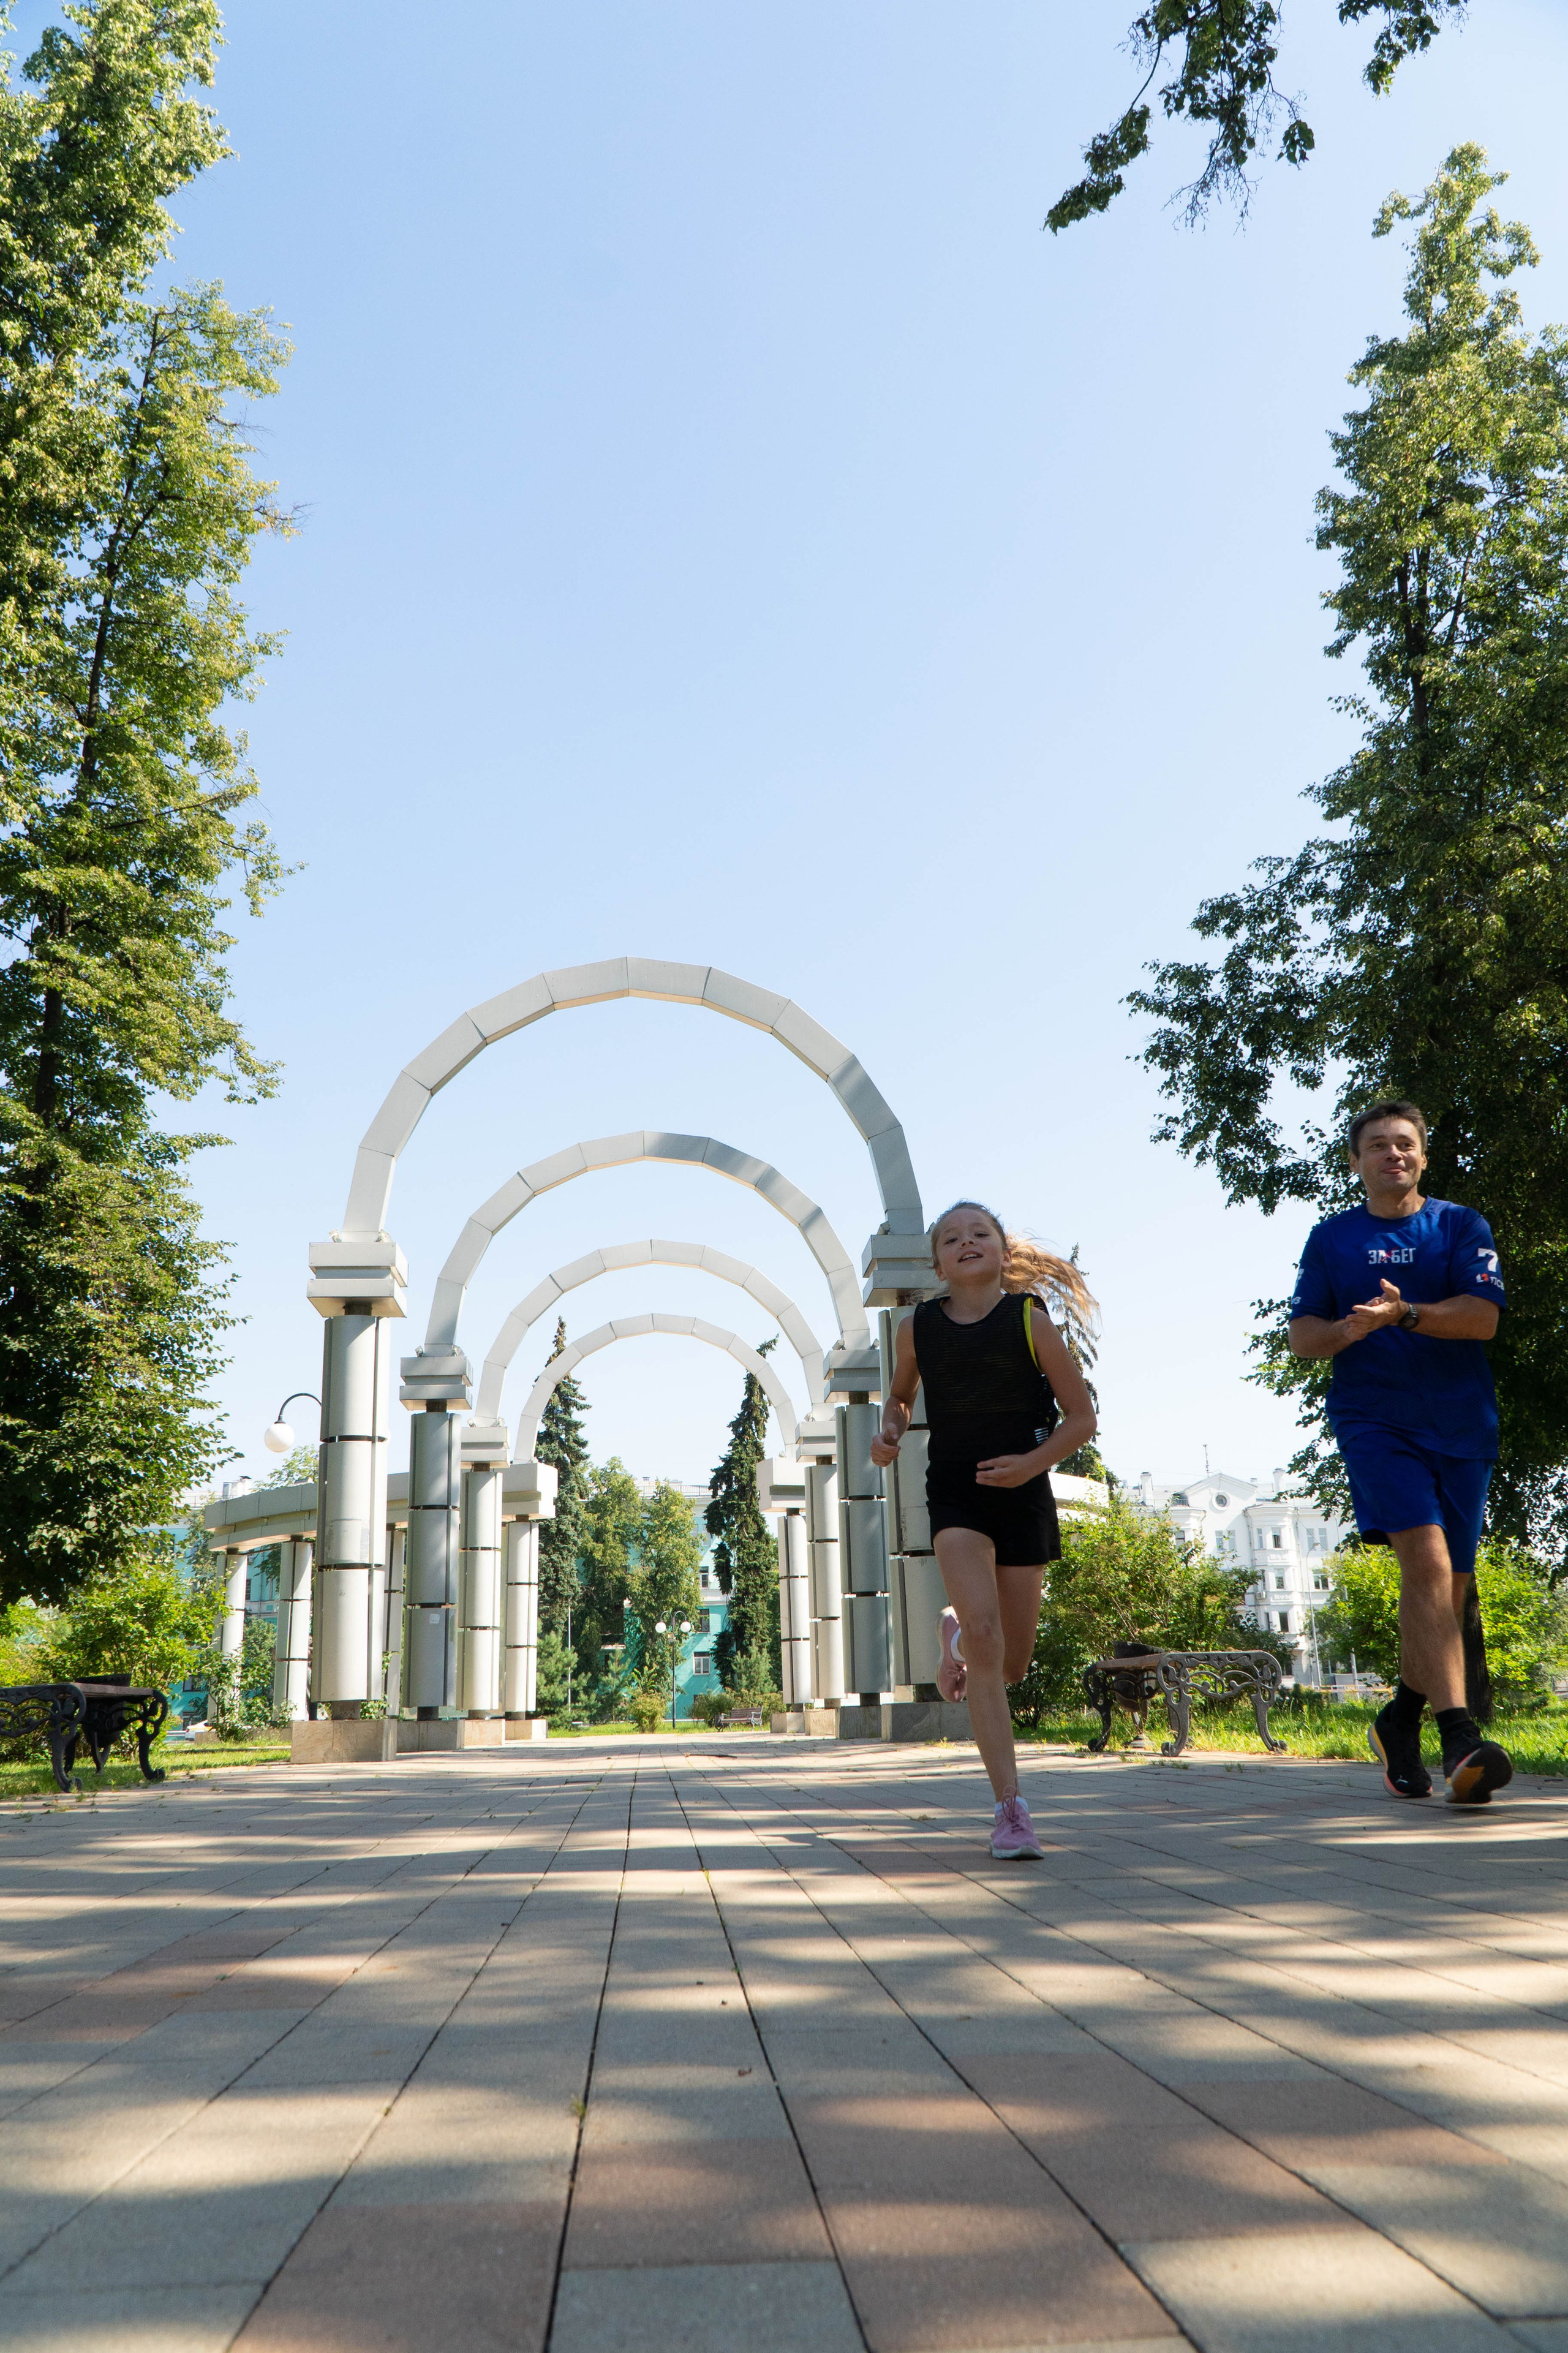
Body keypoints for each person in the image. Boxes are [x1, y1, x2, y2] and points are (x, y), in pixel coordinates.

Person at [1288, 1100, 1510, 1805]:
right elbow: (1302, 1338)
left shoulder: (1459, 1225)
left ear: (1422, 1156)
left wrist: (1406, 1313)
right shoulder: (1332, 1239)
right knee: (1427, 1560)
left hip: (1461, 1424)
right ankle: (1459, 1735)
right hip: (1376, 1423)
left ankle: (1398, 1717)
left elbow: (1482, 1319)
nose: (1393, 1154)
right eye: (1377, 1145)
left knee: (1449, 1590)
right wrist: (1353, 1331)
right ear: (1354, 1161)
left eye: (1405, 1144)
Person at [873, 1201, 1097, 1859]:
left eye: (979, 1234)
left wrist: (1029, 1464)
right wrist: (890, 1428)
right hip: (955, 1495)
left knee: (1012, 1663)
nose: (965, 1243)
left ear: (1002, 1252)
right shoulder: (916, 1328)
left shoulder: (1029, 1321)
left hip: (1022, 1494)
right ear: (937, 1262)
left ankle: (955, 1628)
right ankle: (1010, 1809)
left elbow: (1080, 1418)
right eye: (951, 1238)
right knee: (987, 1635)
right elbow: (900, 1395)